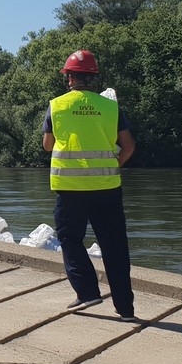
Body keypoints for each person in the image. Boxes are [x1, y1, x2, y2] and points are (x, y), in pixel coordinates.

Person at [41, 49, 135, 320]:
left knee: (70, 240)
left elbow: (48, 146)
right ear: (93, 78)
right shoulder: (110, 106)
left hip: (71, 190)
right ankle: (125, 309)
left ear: (68, 78)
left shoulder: (57, 105)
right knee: (115, 247)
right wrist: (112, 165)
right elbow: (128, 146)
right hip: (107, 187)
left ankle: (87, 292)